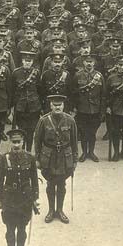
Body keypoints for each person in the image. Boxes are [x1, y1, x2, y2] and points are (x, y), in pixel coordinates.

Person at [0, 128, 39, 246]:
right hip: (9, 198)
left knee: (21, 229)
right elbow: (0, 178)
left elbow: (34, 178)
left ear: (23, 142)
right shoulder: (4, 158)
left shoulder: (30, 158)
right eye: (13, 142)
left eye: (18, 142)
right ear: (10, 142)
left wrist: (35, 197)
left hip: (25, 198)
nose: (16, 145)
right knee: (9, 229)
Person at [33, 94, 78, 224]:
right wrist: (37, 158)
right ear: (50, 106)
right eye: (55, 105)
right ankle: (51, 211)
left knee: (62, 184)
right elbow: (37, 141)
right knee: (51, 184)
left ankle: (60, 210)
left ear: (63, 106)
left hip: (65, 156)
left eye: (60, 105)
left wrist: (75, 159)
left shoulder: (70, 120)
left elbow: (74, 142)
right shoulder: (43, 120)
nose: (57, 107)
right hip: (49, 156)